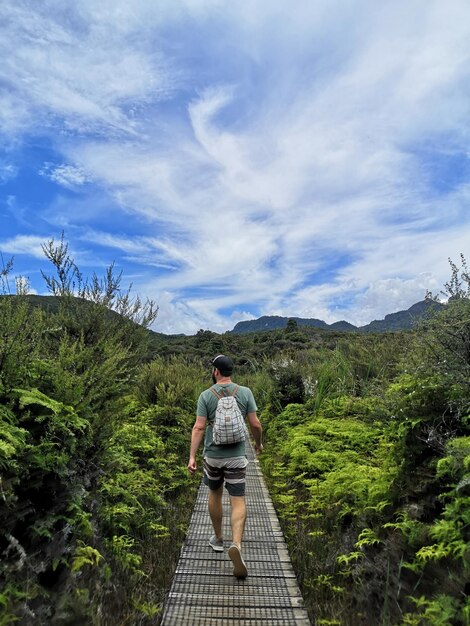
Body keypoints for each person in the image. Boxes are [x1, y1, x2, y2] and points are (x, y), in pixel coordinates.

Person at [187, 354, 263, 579]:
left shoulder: (205, 396)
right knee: (238, 500)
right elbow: (255, 423)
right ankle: (236, 544)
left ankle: (218, 539)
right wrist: (258, 444)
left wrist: (192, 456)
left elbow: (199, 428)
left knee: (214, 493)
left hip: (213, 456)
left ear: (216, 371)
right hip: (237, 457)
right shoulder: (245, 392)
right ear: (231, 371)